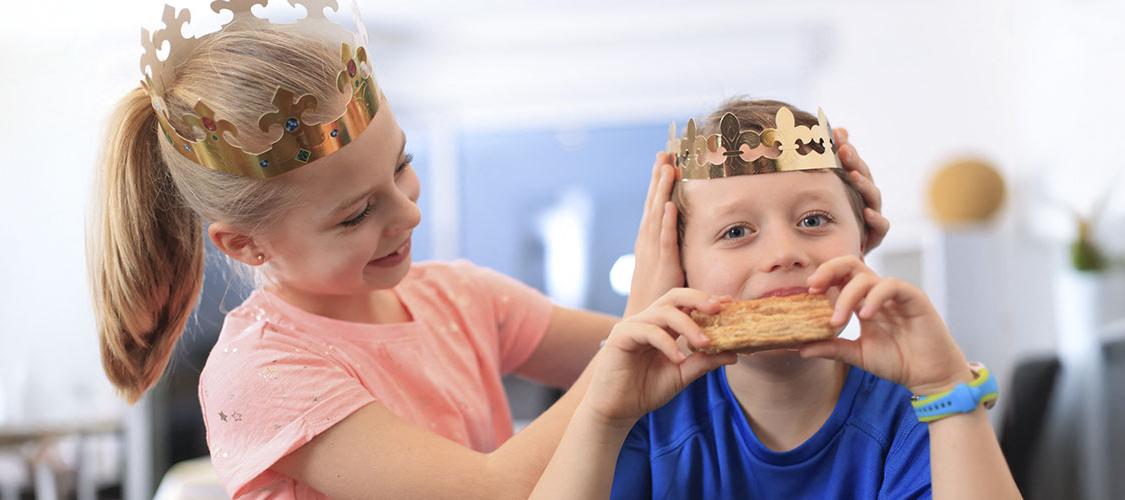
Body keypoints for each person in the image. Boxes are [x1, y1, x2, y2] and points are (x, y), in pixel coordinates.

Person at [88, 2, 887, 497]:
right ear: (244, 243)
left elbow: (671, 345)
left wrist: (818, 256)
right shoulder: (259, 373)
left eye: (403, 166)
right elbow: (498, 490)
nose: (404, 214)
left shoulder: (458, 298)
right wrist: (639, 333)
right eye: (356, 214)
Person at [528, 99, 1022, 499]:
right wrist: (601, 417)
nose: (785, 253)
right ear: (678, 267)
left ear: (863, 240)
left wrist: (946, 388)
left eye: (813, 220)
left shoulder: (919, 414)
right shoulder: (643, 419)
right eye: (736, 231)